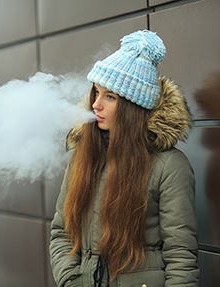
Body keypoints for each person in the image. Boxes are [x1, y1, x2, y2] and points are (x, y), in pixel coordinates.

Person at [49, 30, 199, 287]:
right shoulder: (83, 157)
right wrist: (71, 281)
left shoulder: (169, 166)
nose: (96, 104)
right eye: (96, 92)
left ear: (132, 107)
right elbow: (61, 233)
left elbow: (181, 255)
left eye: (110, 96)